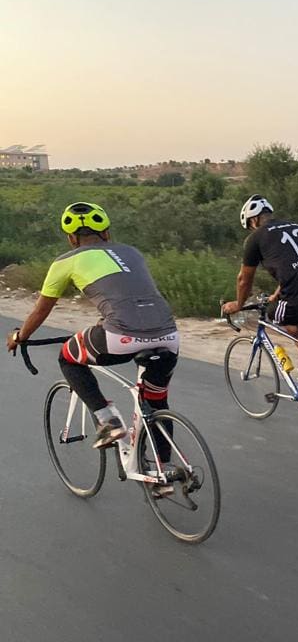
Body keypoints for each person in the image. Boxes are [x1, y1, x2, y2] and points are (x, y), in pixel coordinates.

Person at [7, 202, 181, 492]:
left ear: (71, 238)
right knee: (156, 401)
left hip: (120, 335)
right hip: (168, 334)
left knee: (68, 357)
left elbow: (41, 311)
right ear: (107, 233)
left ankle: (108, 421)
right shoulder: (133, 253)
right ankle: (163, 472)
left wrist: (20, 336)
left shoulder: (66, 261)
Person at [221, 195, 298, 355]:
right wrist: (276, 294)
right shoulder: (297, 227)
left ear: (253, 220)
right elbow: (297, 265)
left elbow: (243, 280)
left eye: (249, 226)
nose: (251, 230)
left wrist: (238, 305)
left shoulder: (255, 237)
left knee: (272, 315)